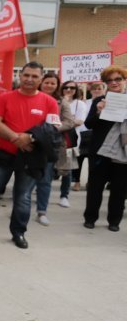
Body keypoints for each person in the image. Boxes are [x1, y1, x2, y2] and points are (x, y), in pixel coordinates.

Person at [0, 62, 60, 249]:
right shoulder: (5, 97)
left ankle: (18, 232)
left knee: (23, 197)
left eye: (34, 76)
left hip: (31, 157)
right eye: (26, 75)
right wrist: (17, 139)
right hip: (4, 154)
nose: (29, 79)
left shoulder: (49, 102)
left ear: (41, 79)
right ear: (20, 76)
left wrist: (31, 137)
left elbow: (53, 129)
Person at [83, 65, 127, 232]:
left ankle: (114, 221)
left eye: (118, 79)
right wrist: (98, 112)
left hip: (122, 151)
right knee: (95, 187)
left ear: (124, 80)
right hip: (100, 150)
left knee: (119, 189)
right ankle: (90, 218)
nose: (114, 83)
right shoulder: (99, 100)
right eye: (109, 80)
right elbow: (88, 124)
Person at [33, 73, 76, 226]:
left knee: (45, 179)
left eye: (53, 83)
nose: (50, 85)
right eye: (47, 82)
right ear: (41, 82)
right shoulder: (32, 97)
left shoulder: (61, 101)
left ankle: (42, 211)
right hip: (29, 142)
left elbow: (69, 121)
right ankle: (21, 207)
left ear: (57, 86)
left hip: (49, 144)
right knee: (27, 179)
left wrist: (54, 128)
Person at [57, 79, 87, 207]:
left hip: (70, 139)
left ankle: (64, 195)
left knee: (67, 169)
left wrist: (60, 124)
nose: (69, 90)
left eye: (72, 88)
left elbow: (79, 121)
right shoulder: (57, 101)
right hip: (53, 138)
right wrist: (69, 122)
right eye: (66, 87)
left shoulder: (79, 104)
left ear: (76, 91)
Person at [74, 81, 106, 191]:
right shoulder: (84, 103)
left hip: (96, 134)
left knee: (93, 161)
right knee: (79, 159)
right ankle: (77, 181)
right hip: (83, 134)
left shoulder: (106, 103)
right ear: (90, 91)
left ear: (103, 90)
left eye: (99, 89)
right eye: (94, 89)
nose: (97, 91)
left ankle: (90, 181)